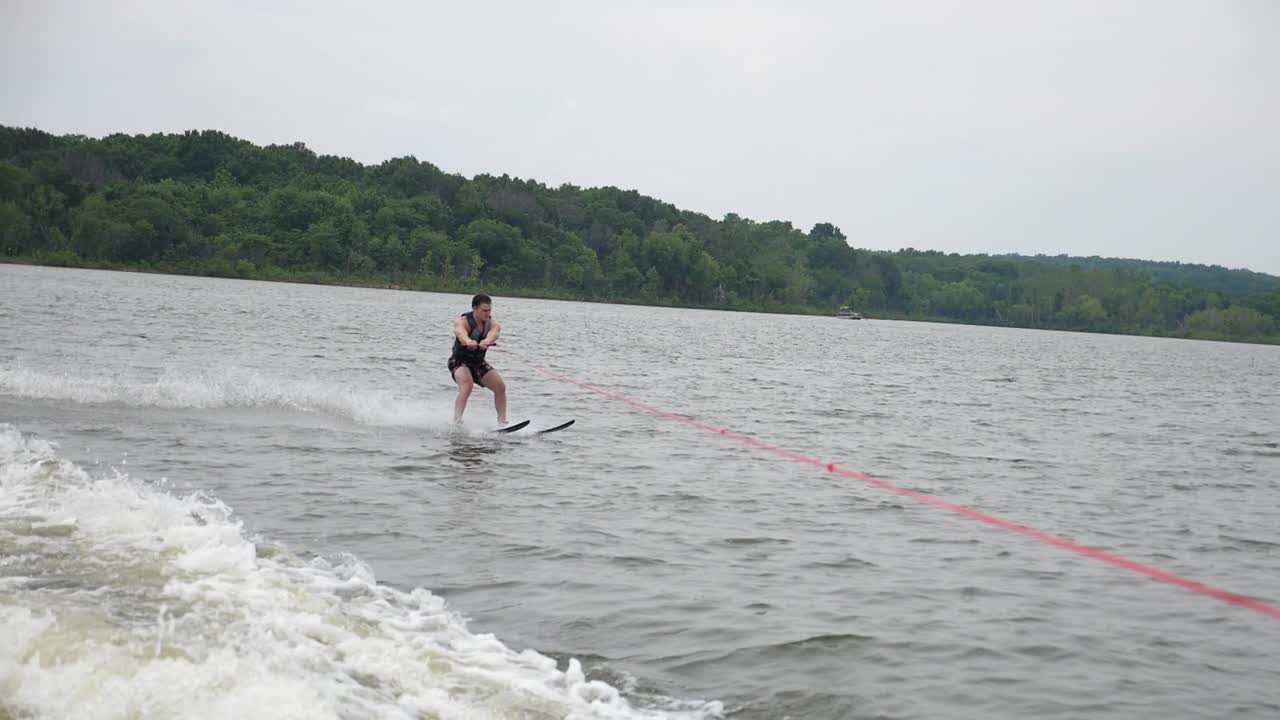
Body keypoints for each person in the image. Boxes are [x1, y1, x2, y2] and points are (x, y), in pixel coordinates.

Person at [448, 293, 507, 424]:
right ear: (474, 308)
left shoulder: (492, 324)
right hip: (459, 362)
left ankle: (502, 422)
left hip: (477, 363)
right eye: (484, 310)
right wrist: (467, 340)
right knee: (467, 385)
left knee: (500, 387)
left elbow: (494, 333)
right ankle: (457, 421)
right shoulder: (463, 322)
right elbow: (460, 332)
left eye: (489, 310)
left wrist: (488, 340)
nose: (487, 314)